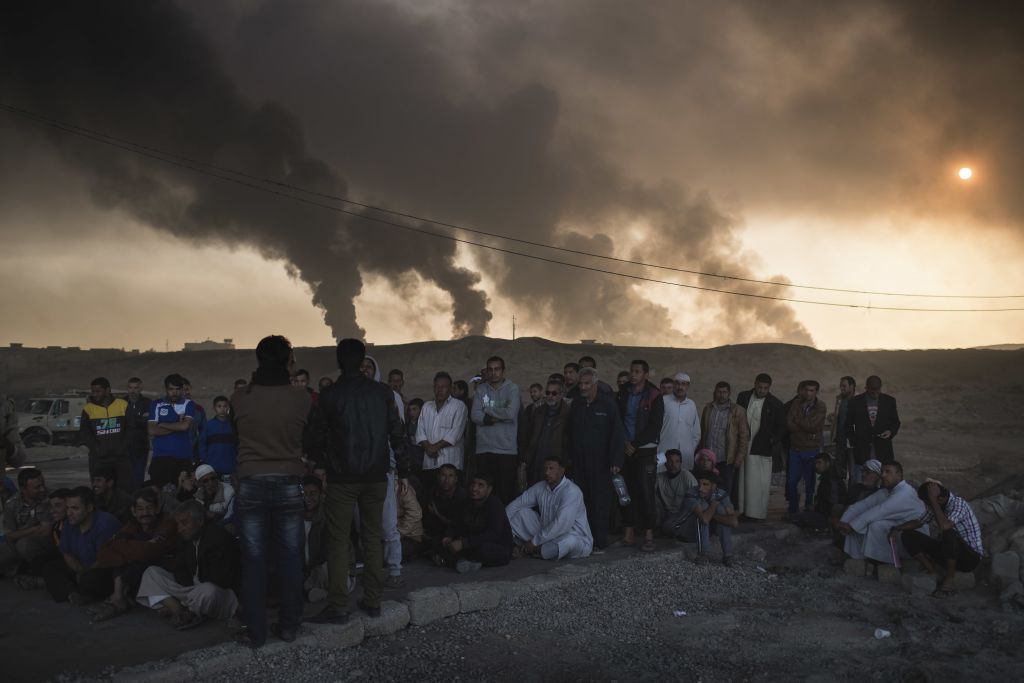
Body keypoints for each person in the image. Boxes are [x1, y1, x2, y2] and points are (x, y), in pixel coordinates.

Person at [309, 338, 407, 625]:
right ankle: (373, 601)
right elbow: (398, 434)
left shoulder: (330, 395)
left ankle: (339, 605)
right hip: (376, 476)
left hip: (342, 478)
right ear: (363, 359)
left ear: (340, 361)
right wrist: (404, 469)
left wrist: (321, 464)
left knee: (339, 541)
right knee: (372, 536)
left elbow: (315, 437)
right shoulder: (382, 393)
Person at [231, 335, 312, 647]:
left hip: (251, 483)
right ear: (288, 361)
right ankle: (290, 625)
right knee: (291, 558)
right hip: (289, 483)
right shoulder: (302, 398)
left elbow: (237, 436)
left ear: (258, 359)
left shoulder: (239, 397)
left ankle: (255, 631)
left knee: (253, 560)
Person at [136, 499, 240, 629]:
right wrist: (186, 588)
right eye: (178, 524)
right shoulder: (186, 537)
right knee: (151, 573)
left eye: (184, 523)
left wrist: (188, 591)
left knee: (208, 591)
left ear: (200, 521)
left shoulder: (218, 538)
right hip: (192, 590)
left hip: (218, 594)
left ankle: (186, 610)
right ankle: (179, 611)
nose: (179, 529)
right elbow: (179, 568)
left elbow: (220, 580)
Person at [89, 487, 177, 622]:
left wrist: (128, 549)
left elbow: (150, 551)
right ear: (133, 511)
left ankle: (118, 599)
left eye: (149, 507)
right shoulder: (132, 525)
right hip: (138, 572)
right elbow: (104, 551)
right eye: (140, 509)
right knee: (95, 575)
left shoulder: (167, 522)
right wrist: (139, 548)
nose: (145, 513)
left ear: (158, 508)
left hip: (163, 572)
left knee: (133, 556)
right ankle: (119, 597)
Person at [361, 354, 408, 590]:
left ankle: (395, 569)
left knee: (388, 520)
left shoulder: (389, 395)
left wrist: (398, 467)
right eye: (362, 366)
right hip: (358, 469)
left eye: (370, 366)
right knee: (363, 521)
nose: (366, 370)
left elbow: (397, 434)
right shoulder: (352, 395)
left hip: (384, 466)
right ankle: (370, 569)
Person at [894, 482, 984, 597]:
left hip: (970, 558)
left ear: (940, 499)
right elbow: (918, 522)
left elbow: (945, 526)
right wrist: (897, 528)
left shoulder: (958, 503)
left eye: (929, 503)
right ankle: (932, 571)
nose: (929, 506)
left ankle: (949, 579)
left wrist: (933, 501)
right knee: (908, 535)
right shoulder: (938, 505)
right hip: (950, 553)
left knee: (949, 532)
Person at [567, 367, 623, 550]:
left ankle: (599, 542)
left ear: (595, 384)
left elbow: (616, 434)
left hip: (602, 464)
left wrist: (616, 461)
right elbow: (569, 435)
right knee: (582, 502)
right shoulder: (576, 405)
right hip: (579, 463)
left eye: (587, 384)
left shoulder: (608, 405)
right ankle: (584, 540)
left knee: (600, 503)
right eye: (581, 383)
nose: (583, 387)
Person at [42, 486, 121, 603]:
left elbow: (105, 560)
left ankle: (81, 591)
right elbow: (66, 553)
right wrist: (80, 571)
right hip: (82, 568)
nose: (69, 513)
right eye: (68, 508)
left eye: (74, 508)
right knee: (50, 567)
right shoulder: (70, 522)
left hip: (104, 569)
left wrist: (84, 573)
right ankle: (72, 593)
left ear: (89, 507)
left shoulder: (105, 524)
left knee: (91, 580)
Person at [506, 456, 593, 560]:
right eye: (545, 468)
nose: (547, 472)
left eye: (551, 468)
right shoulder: (540, 487)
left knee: (569, 542)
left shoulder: (572, 491)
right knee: (518, 513)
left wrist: (534, 542)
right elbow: (517, 504)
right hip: (546, 534)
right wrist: (500, 523)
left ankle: (529, 549)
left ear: (561, 471)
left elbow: (562, 525)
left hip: (574, 537)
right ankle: (531, 549)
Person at [838, 461, 924, 565]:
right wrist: (844, 522)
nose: (883, 475)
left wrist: (851, 526)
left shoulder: (904, 494)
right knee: (859, 521)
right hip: (898, 528)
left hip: (914, 538)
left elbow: (879, 511)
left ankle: (886, 562)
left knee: (874, 524)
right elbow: (861, 506)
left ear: (899, 474)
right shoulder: (887, 491)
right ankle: (856, 557)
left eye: (888, 472)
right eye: (882, 471)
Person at [618, 359, 663, 552]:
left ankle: (648, 535)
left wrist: (635, 444)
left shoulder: (654, 395)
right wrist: (623, 443)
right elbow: (618, 419)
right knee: (625, 493)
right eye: (631, 371)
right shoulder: (623, 392)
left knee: (646, 492)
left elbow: (654, 426)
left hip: (644, 451)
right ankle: (628, 534)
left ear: (645, 374)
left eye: (637, 371)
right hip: (625, 449)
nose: (633, 375)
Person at [438, 472, 514, 572]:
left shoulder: (494, 504)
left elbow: (494, 534)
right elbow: (457, 524)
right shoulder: (466, 502)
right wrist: (449, 536)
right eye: (473, 484)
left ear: (489, 489)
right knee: (439, 542)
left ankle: (458, 560)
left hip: (496, 546)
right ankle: (466, 561)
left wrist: (464, 543)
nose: (474, 488)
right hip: (472, 542)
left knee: (483, 550)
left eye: (480, 485)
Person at [470, 356, 521, 505]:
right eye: (490, 370)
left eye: (497, 369)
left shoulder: (512, 389)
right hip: (484, 450)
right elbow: (475, 415)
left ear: (503, 371)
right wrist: (497, 416)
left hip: (506, 451)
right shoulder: (481, 390)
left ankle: (505, 528)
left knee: (506, 496)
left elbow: (511, 414)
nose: (493, 373)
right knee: (483, 496)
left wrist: (487, 409)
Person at [736, 374, 787, 521]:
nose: (761, 390)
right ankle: (742, 510)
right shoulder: (743, 397)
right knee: (742, 480)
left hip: (762, 448)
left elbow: (781, 427)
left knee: (759, 482)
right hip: (744, 445)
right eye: (759, 387)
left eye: (765, 388)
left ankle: (757, 514)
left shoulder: (775, 403)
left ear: (769, 388)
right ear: (755, 384)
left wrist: (771, 440)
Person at [671, 470, 739, 566]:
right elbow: (704, 519)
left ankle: (728, 555)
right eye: (699, 484)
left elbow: (734, 522)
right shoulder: (691, 493)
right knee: (703, 509)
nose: (700, 488)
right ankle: (703, 554)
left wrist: (714, 515)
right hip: (684, 530)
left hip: (704, 532)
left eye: (705, 484)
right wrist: (714, 505)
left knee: (722, 511)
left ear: (714, 486)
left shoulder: (721, 494)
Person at [698, 381, 750, 503]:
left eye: (724, 392)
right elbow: (703, 432)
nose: (722, 395)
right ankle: (710, 514)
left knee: (725, 489)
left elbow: (744, 436)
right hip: (709, 459)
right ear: (715, 393)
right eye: (719, 392)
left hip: (727, 458)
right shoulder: (708, 409)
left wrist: (740, 456)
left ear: (729, 393)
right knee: (707, 488)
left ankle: (725, 515)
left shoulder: (738, 411)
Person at [0, 468, 56, 578]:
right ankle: (23, 567)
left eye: (42, 485)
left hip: (48, 542)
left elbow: (46, 532)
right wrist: (34, 528)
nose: (42, 489)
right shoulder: (11, 504)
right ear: (23, 489)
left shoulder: (51, 498)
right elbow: (9, 536)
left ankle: (43, 569)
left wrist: (20, 534)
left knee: (24, 545)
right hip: (17, 543)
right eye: (37, 487)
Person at [80, 377, 133, 495]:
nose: (94, 394)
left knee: (124, 491)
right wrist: (96, 449)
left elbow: (130, 429)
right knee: (100, 492)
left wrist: (123, 446)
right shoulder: (88, 409)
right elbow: (84, 433)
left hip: (121, 458)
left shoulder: (122, 405)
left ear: (108, 390)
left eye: (97, 391)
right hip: (99, 459)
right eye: (93, 391)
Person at [416, 372, 468, 490]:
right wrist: (428, 447)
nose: (440, 390)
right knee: (430, 499)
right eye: (437, 386)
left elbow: (456, 433)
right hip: (429, 464)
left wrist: (434, 447)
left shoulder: (459, 406)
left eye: (444, 387)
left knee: (451, 501)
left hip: (451, 465)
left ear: (450, 389)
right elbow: (420, 432)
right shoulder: (426, 406)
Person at [147, 374, 197, 488]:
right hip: (160, 457)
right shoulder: (156, 404)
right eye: (171, 389)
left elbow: (185, 427)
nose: (174, 393)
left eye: (178, 389)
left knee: (183, 496)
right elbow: (152, 430)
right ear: (166, 389)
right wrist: (177, 425)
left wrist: (163, 424)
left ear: (182, 389)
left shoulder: (189, 404)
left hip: (183, 457)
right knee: (160, 496)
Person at [785, 380, 827, 514]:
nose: (808, 393)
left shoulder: (820, 406)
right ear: (803, 390)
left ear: (816, 392)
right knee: (792, 482)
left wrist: (798, 422)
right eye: (807, 390)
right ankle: (793, 509)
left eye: (812, 390)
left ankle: (809, 508)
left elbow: (813, 426)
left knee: (809, 483)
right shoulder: (796, 403)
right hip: (796, 449)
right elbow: (789, 423)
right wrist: (804, 427)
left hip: (811, 450)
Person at [520, 379, 570, 486]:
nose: (550, 396)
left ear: (561, 394)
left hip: (557, 461)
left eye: (554, 393)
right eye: (548, 393)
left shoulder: (568, 414)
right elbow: (528, 435)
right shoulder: (537, 411)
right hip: (537, 461)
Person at [845, 375, 901, 470]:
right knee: (862, 479)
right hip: (862, 450)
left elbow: (895, 422)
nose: (875, 393)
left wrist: (890, 431)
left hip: (883, 450)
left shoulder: (889, 401)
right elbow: (848, 425)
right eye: (872, 390)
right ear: (866, 388)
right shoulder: (855, 402)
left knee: (882, 481)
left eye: (878, 389)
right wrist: (854, 442)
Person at [788, 453, 847, 531]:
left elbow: (835, 507)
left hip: (829, 518)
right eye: (816, 463)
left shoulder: (832, 480)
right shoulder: (827, 477)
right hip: (824, 513)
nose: (816, 466)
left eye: (819, 463)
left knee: (794, 518)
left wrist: (816, 508)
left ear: (827, 463)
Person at [657, 372, 701, 470]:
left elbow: (696, 432)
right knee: (661, 479)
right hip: (663, 451)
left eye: (683, 384)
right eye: (677, 383)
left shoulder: (691, 405)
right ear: (673, 385)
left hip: (685, 455)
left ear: (688, 386)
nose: (680, 387)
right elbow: (655, 426)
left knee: (684, 480)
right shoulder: (663, 401)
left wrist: (689, 449)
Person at [300, 475, 330, 603]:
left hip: (323, 569)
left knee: (328, 570)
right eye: (304, 494)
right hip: (306, 572)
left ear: (321, 494)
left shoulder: (327, 516)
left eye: (313, 494)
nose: (308, 498)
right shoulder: (294, 518)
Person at [655, 449, 697, 535]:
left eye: (677, 461)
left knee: (668, 527)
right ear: (665, 463)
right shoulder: (659, 477)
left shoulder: (686, 476)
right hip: (666, 512)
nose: (673, 465)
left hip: (682, 514)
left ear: (681, 463)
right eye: (670, 461)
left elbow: (696, 499)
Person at [197, 396, 238, 476]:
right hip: (212, 469)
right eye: (219, 406)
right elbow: (201, 444)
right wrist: (206, 460)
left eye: (225, 406)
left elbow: (238, 444)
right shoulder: (208, 425)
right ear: (214, 408)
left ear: (228, 407)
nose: (222, 409)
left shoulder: (233, 426)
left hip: (231, 468)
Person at [124, 377, 152, 489]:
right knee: (125, 479)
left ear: (141, 388)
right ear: (127, 388)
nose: (133, 390)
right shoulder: (120, 403)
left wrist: (132, 420)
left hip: (141, 448)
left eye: (136, 388)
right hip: (124, 449)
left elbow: (150, 421)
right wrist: (141, 418)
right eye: (130, 387)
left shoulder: (148, 403)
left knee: (138, 480)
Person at [833, 376, 857, 481]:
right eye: (840, 386)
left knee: (853, 474)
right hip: (840, 442)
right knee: (839, 473)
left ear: (852, 386)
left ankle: (852, 497)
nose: (841, 388)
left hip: (852, 444)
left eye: (844, 386)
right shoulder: (839, 399)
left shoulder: (858, 400)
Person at [395, 478, 424, 561]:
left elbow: (415, 513)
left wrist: (399, 533)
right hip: (391, 536)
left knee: (384, 554)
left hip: (410, 537)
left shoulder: (403, 488)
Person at [181, 378, 206, 457]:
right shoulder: (169, 409)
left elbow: (204, 433)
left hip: (193, 454)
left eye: (188, 389)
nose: (187, 392)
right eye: (183, 390)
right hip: (173, 454)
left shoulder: (199, 409)